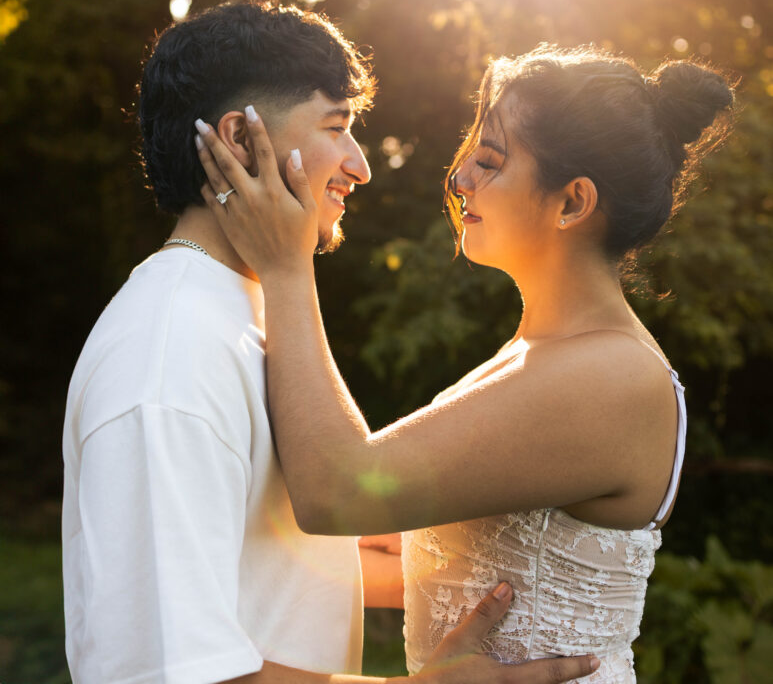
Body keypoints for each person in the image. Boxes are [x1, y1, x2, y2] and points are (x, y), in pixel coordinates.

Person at [61, 1, 600, 684]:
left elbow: (266, 557)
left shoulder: (248, 311)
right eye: (336, 127)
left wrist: (492, 570)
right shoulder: (168, 357)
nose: (360, 165)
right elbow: (167, 673)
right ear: (240, 138)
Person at [194, 44, 734, 682]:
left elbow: (336, 492)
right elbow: (448, 562)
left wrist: (286, 268)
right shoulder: (534, 357)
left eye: (491, 162)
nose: (459, 180)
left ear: (572, 203)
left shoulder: (612, 377)